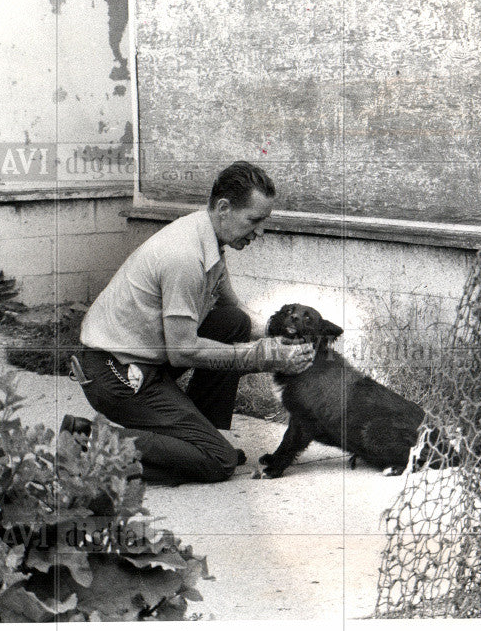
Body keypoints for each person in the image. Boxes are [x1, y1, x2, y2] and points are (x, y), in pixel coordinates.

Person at [64, 161, 315, 485]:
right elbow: (183, 350)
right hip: (113, 374)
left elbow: (234, 310)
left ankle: (203, 437)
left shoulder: (206, 237)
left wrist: (279, 330)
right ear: (224, 208)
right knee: (218, 463)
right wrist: (263, 356)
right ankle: (87, 443)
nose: (259, 232)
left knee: (232, 322)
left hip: (144, 360)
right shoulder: (185, 257)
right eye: (254, 220)